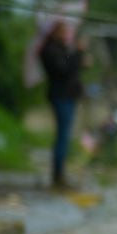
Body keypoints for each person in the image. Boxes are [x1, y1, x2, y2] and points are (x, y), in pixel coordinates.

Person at [39, 21, 84, 187]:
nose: (67, 33)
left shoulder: (60, 48)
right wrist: (77, 53)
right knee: (63, 136)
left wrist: (79, 59)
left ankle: (60, 173)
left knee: (64, 135)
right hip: (61, 96)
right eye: (64, 30)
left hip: (68, 96)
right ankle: (58, 175)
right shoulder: (50, 50)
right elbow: (63, 70)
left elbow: (70, 67)